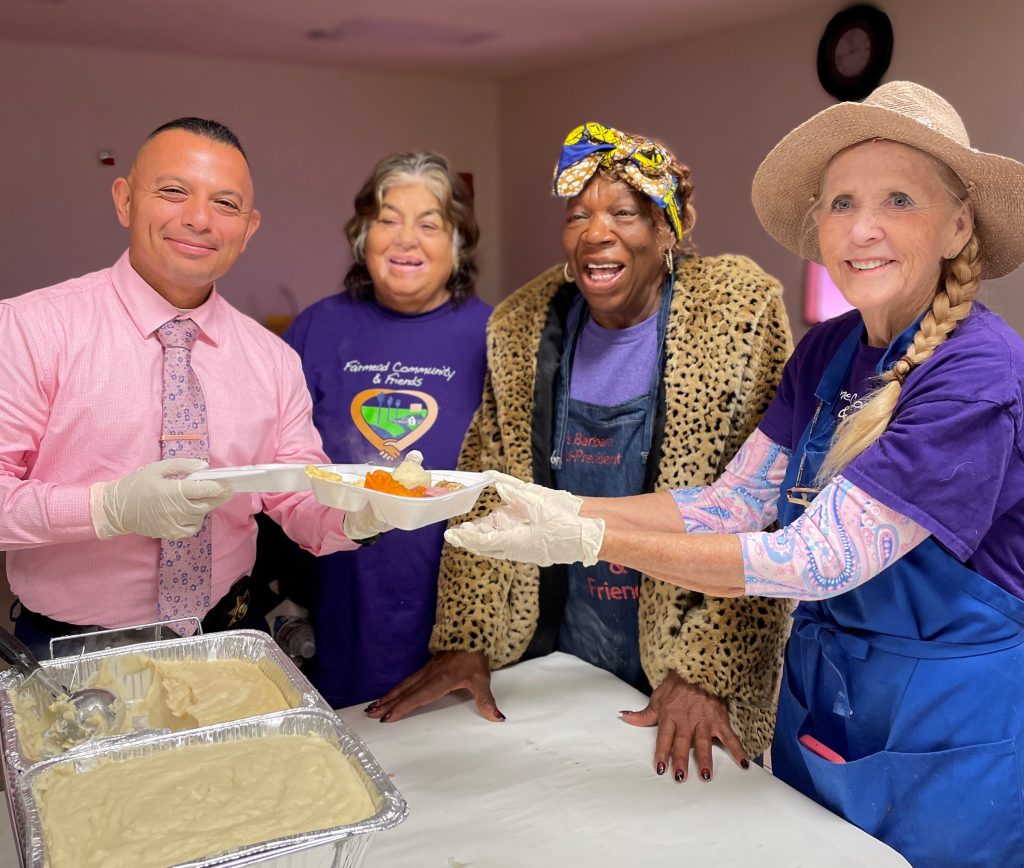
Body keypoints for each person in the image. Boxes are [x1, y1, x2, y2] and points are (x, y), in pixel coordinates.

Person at [444, 83, 1024, 865]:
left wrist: (584, 534)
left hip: (947, 729)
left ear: (959, 226)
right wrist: (553, 500)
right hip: (823, 694)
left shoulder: (978, 371)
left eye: (899, 201)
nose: (864, 228)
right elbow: (735, 502)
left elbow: (812, 559)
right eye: (842, 202)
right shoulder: (830, 349)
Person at [369, 122, 794, 783]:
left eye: (624, 213)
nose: (596, 232)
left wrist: (706, 675)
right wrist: (467, 642)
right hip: (560, 651)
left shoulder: (735, 318)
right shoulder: (521, 329)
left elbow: (762, 513)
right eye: (578, 215)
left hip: (683, 660)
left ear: (667, 231)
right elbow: (488, 493)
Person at [0, 117, 386, 659]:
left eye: (225, 205)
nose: (199, 219)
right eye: (174, 192)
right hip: (73, 651)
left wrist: (360, 514)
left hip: (230, 635)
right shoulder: (29, 329)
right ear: (125, 201)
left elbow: (295, 494)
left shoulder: (272, 359)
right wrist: (108, 508)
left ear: (248, 229)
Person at [281, 152, 490, 708]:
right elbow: (275, 468)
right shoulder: (316, 328)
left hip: (452, 610)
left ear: (458, 244)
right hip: (335, 597)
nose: (406, 240)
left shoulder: (495, 335)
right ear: (362, 236)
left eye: (430, 223)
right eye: (388, 219)